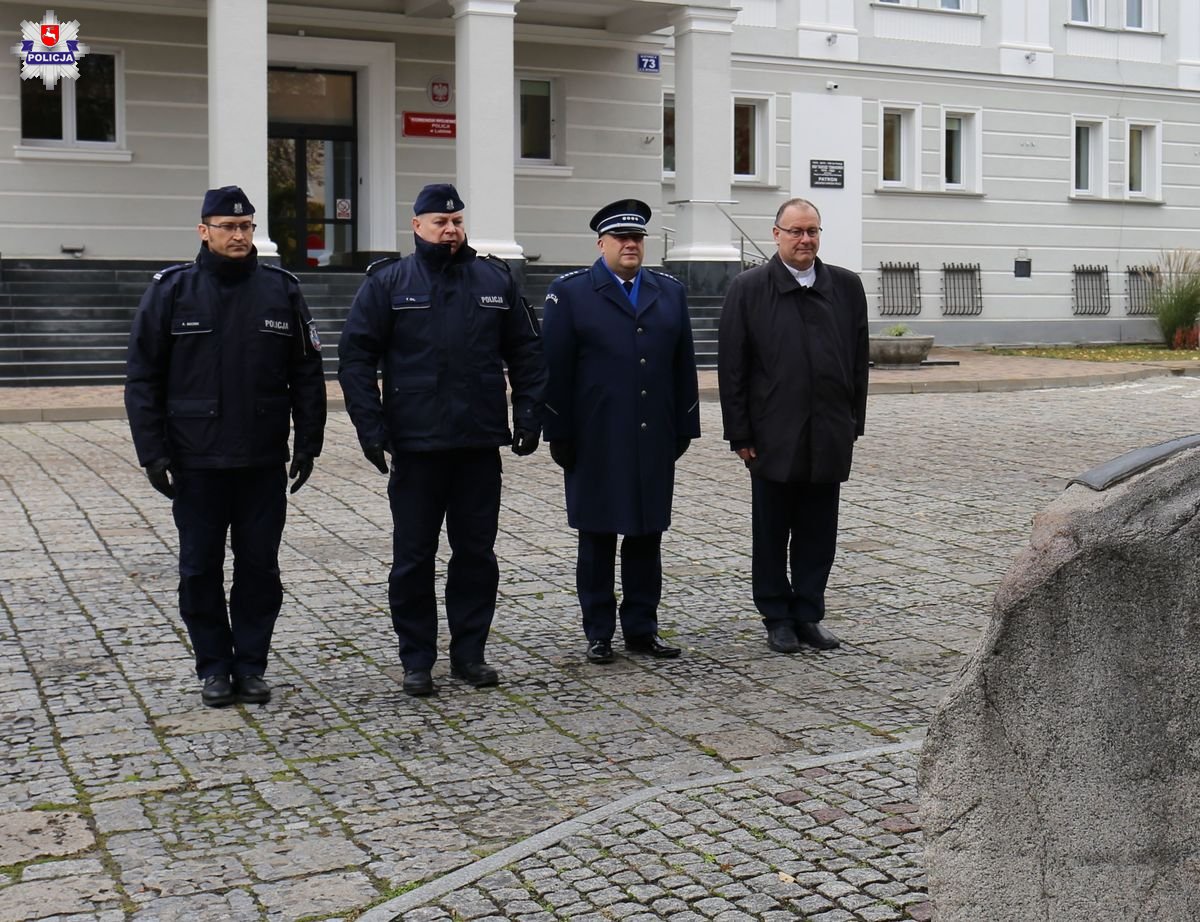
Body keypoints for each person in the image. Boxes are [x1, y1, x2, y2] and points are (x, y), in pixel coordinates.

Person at [338, 183, 546, 697]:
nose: (450, 230)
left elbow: (526, 352)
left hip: (477, 443)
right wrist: (370, 428)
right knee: (413, 559)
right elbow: (356, 358)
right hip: (417, 446)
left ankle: (470, 654)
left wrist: (528, 414)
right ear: (417, 226)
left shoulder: (494, 278)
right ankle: (417, 659)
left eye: (456, 221)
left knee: (476, 555)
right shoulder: (388, 282)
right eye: (440, 222)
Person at [124, 185, 328, 707]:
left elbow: (307, 373)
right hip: (197, 460)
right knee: (200, 570)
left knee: (260, 569)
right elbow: (143, 377)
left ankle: (252, 665)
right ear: (204, 231)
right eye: (228, 227)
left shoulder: (281, 290)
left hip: (261, 458)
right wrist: (152, 453)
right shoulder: (172, 291)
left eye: (246, 226)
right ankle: (214, 667)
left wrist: (308, 442)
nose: (239, 235)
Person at [542, 199, 701, 664]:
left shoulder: (668, 291)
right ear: (601, 244)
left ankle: (641, 628)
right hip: (596, 436)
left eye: (637, 238)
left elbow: (683, 364)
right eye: (620, 238)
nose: (630, 245)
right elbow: (555, 367)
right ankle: (599, 632)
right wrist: (558, 430)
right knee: (597, 536)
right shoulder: (571, 292)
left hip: (653, 434)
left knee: (647, 534)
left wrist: (685, 424)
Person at [717, 197, 868, 654]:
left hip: (829, 431)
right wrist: (740, 433)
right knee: (771, 531)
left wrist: (853, 423)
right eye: (796, 231)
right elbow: (733, 367)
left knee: (818, 532)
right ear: (776, 234)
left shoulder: (845, 286)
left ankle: (807, 613)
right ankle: (777, 616)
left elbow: (858, 360)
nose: (805, 240)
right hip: (771, 435)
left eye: (812, 231)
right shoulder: (748, 288)